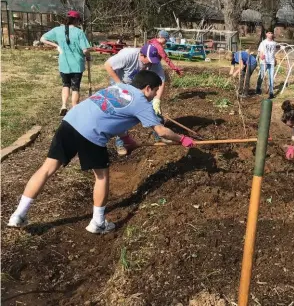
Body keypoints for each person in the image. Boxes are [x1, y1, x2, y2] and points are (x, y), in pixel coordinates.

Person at [7, 71, 194, 234]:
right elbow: (161, 131)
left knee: (47, 168)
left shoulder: (118, 87)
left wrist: (127, 140)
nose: (154, 96)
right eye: (155, 91)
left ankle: (18, 214)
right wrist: (182, 139)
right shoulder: (142, 102)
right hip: (91, 134)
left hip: (70, 122)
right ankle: (97, 222)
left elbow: (113, 113)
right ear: (147, 88)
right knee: (102, 176)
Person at [104, 44, 166, 153]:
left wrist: (157, 100)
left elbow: (161, 80)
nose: (151, 63)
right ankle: (121, 142)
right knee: (123, 113)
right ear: (142, 55)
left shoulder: (154, 61)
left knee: (155, 109)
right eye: (149, 60)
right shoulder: (128, 55)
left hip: (141, 85)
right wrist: (119, 84)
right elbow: (107, 65)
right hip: (121, 83)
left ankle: (161, 135)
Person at [41, 11, 91, 116]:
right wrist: (88, 57)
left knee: (65, 85)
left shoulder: (57, 30)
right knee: (75, 87)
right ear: (76, 20)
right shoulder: (79, 32)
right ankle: (74, 109)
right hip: (77, 65)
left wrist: (56, 46)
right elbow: (85, 50)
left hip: (64, 64)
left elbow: (43, 39)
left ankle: (63, 105)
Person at [256, 31, 277, 99]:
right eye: (269, 33)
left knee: (271, 77)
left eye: (271, 33)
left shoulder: (274, 43)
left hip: (271, 62)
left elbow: (273, 53)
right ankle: (258, 88)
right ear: (266, 34)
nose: (270, 34)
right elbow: (260, 51)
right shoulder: (263, 43)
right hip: (264, 62)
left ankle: (271, 93)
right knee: (261, 76)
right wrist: (261, 56)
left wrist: (275, 60)